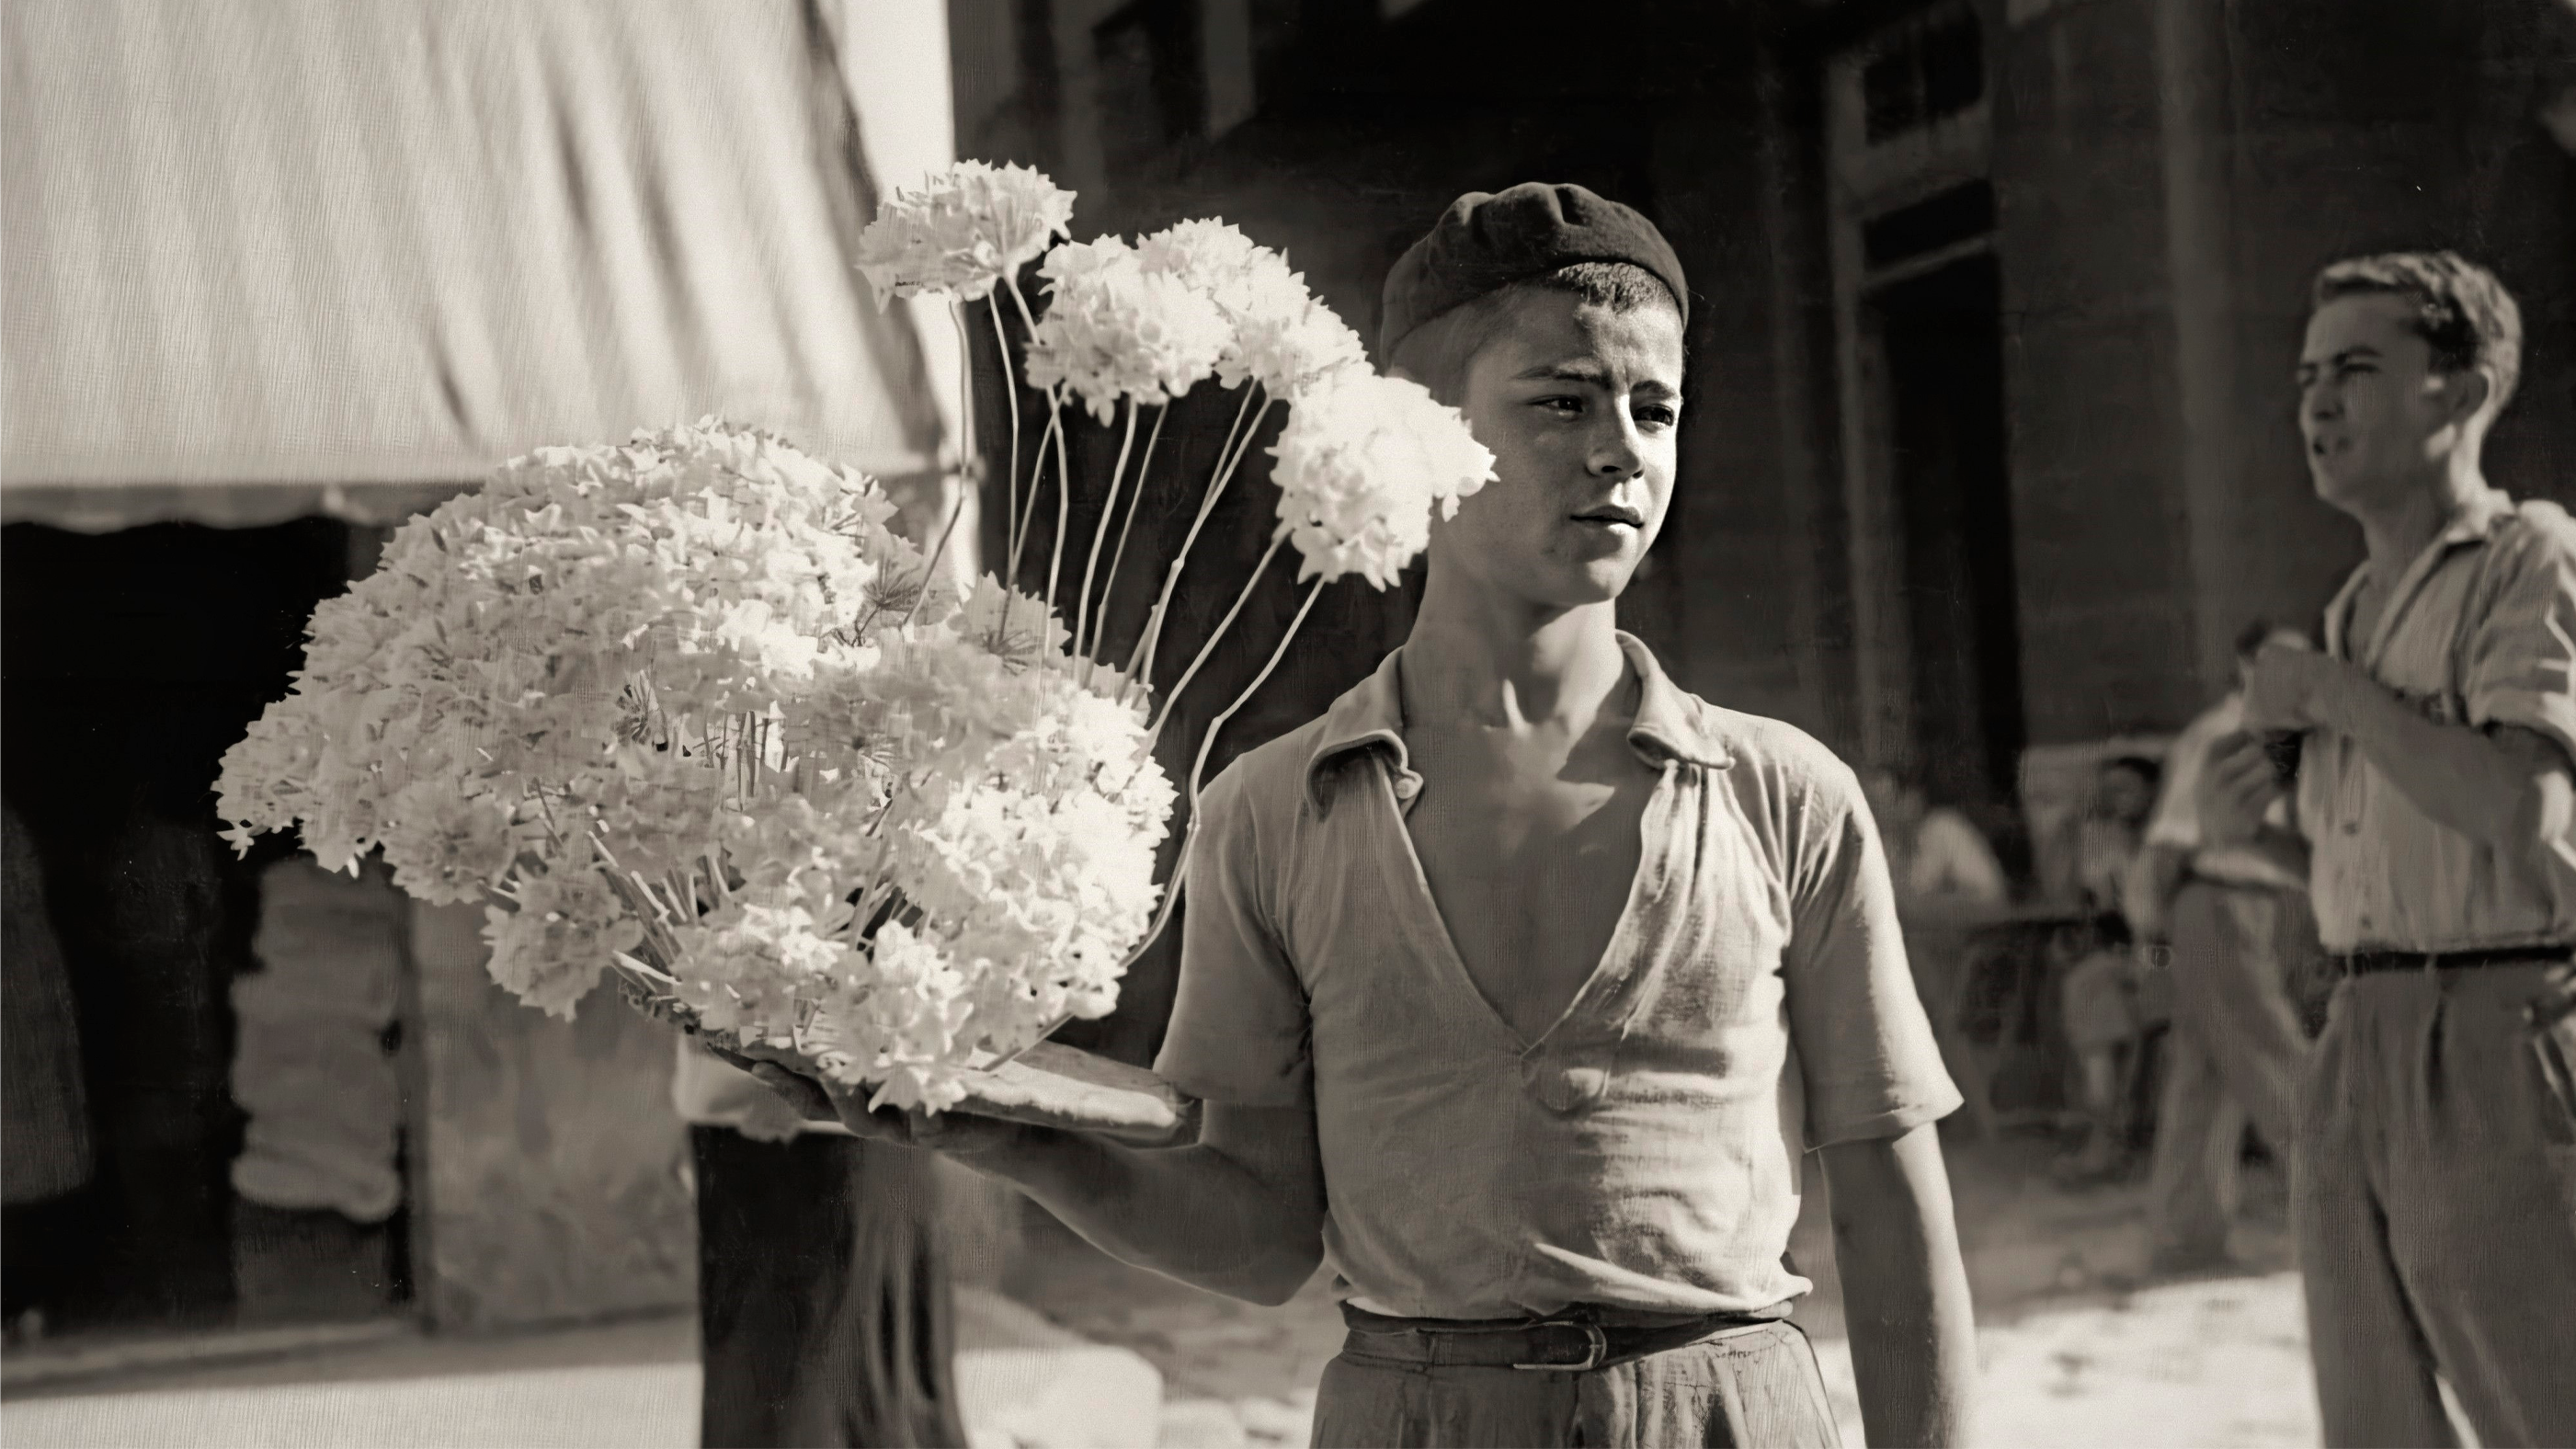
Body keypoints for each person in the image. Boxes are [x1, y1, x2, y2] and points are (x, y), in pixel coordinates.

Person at [752, 182, 1978, 1447]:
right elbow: (1259, 1232)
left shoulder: (1782, 797)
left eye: (1653, 407)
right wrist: (1016, 1143)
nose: (1620, 446)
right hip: (1412, 1412)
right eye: (1560, 400)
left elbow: (1890, 1202)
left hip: (1726, 1408)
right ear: (1417, 435)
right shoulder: (1272, 813)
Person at [2206, 251, 2576, 1449]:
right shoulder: (2354, 607)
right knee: (2372, 1423)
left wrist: (2326, 696)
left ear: (2461, 392)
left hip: (2493, 1031)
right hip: (2354, 1038)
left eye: (2356, 370)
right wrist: (2253, 824)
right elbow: (2368, 869)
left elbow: (2519, 813)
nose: (2315, 403)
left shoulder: (2530, 560)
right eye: (2308, 374)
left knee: (2537, 1403)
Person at [2123, 620, 2323, 1275]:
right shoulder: (2219, 734)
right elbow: (2171, 843)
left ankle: (2187, 1236)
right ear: (2243, 666)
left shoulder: (2302, 735)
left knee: (2205, 1073)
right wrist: (2152, 933)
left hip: (2282, 905)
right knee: (2275, 1057)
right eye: (2273, 660)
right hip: (2219, 902)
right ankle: (2339, 1218)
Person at [2053, 755, 2161, 1181]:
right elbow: (2077, 897)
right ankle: (2110, 1134)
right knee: (2094, 992)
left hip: (2188, 955)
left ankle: (2106, 1138)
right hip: (2139, 958)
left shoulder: (2167, 842)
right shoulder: (2111, 844)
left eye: (2128, 788)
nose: (2118, 798)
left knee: (2088, 987)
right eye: (2109, 789)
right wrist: (2077, 829)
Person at [1864, 765, 2011, 919]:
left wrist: (1923, 904)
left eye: (1889, 801)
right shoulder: (1886, 847)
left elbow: (1992, 896)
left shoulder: (1946, 828)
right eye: (1875, 805)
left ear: (1912, 798)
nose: (1882, 813)